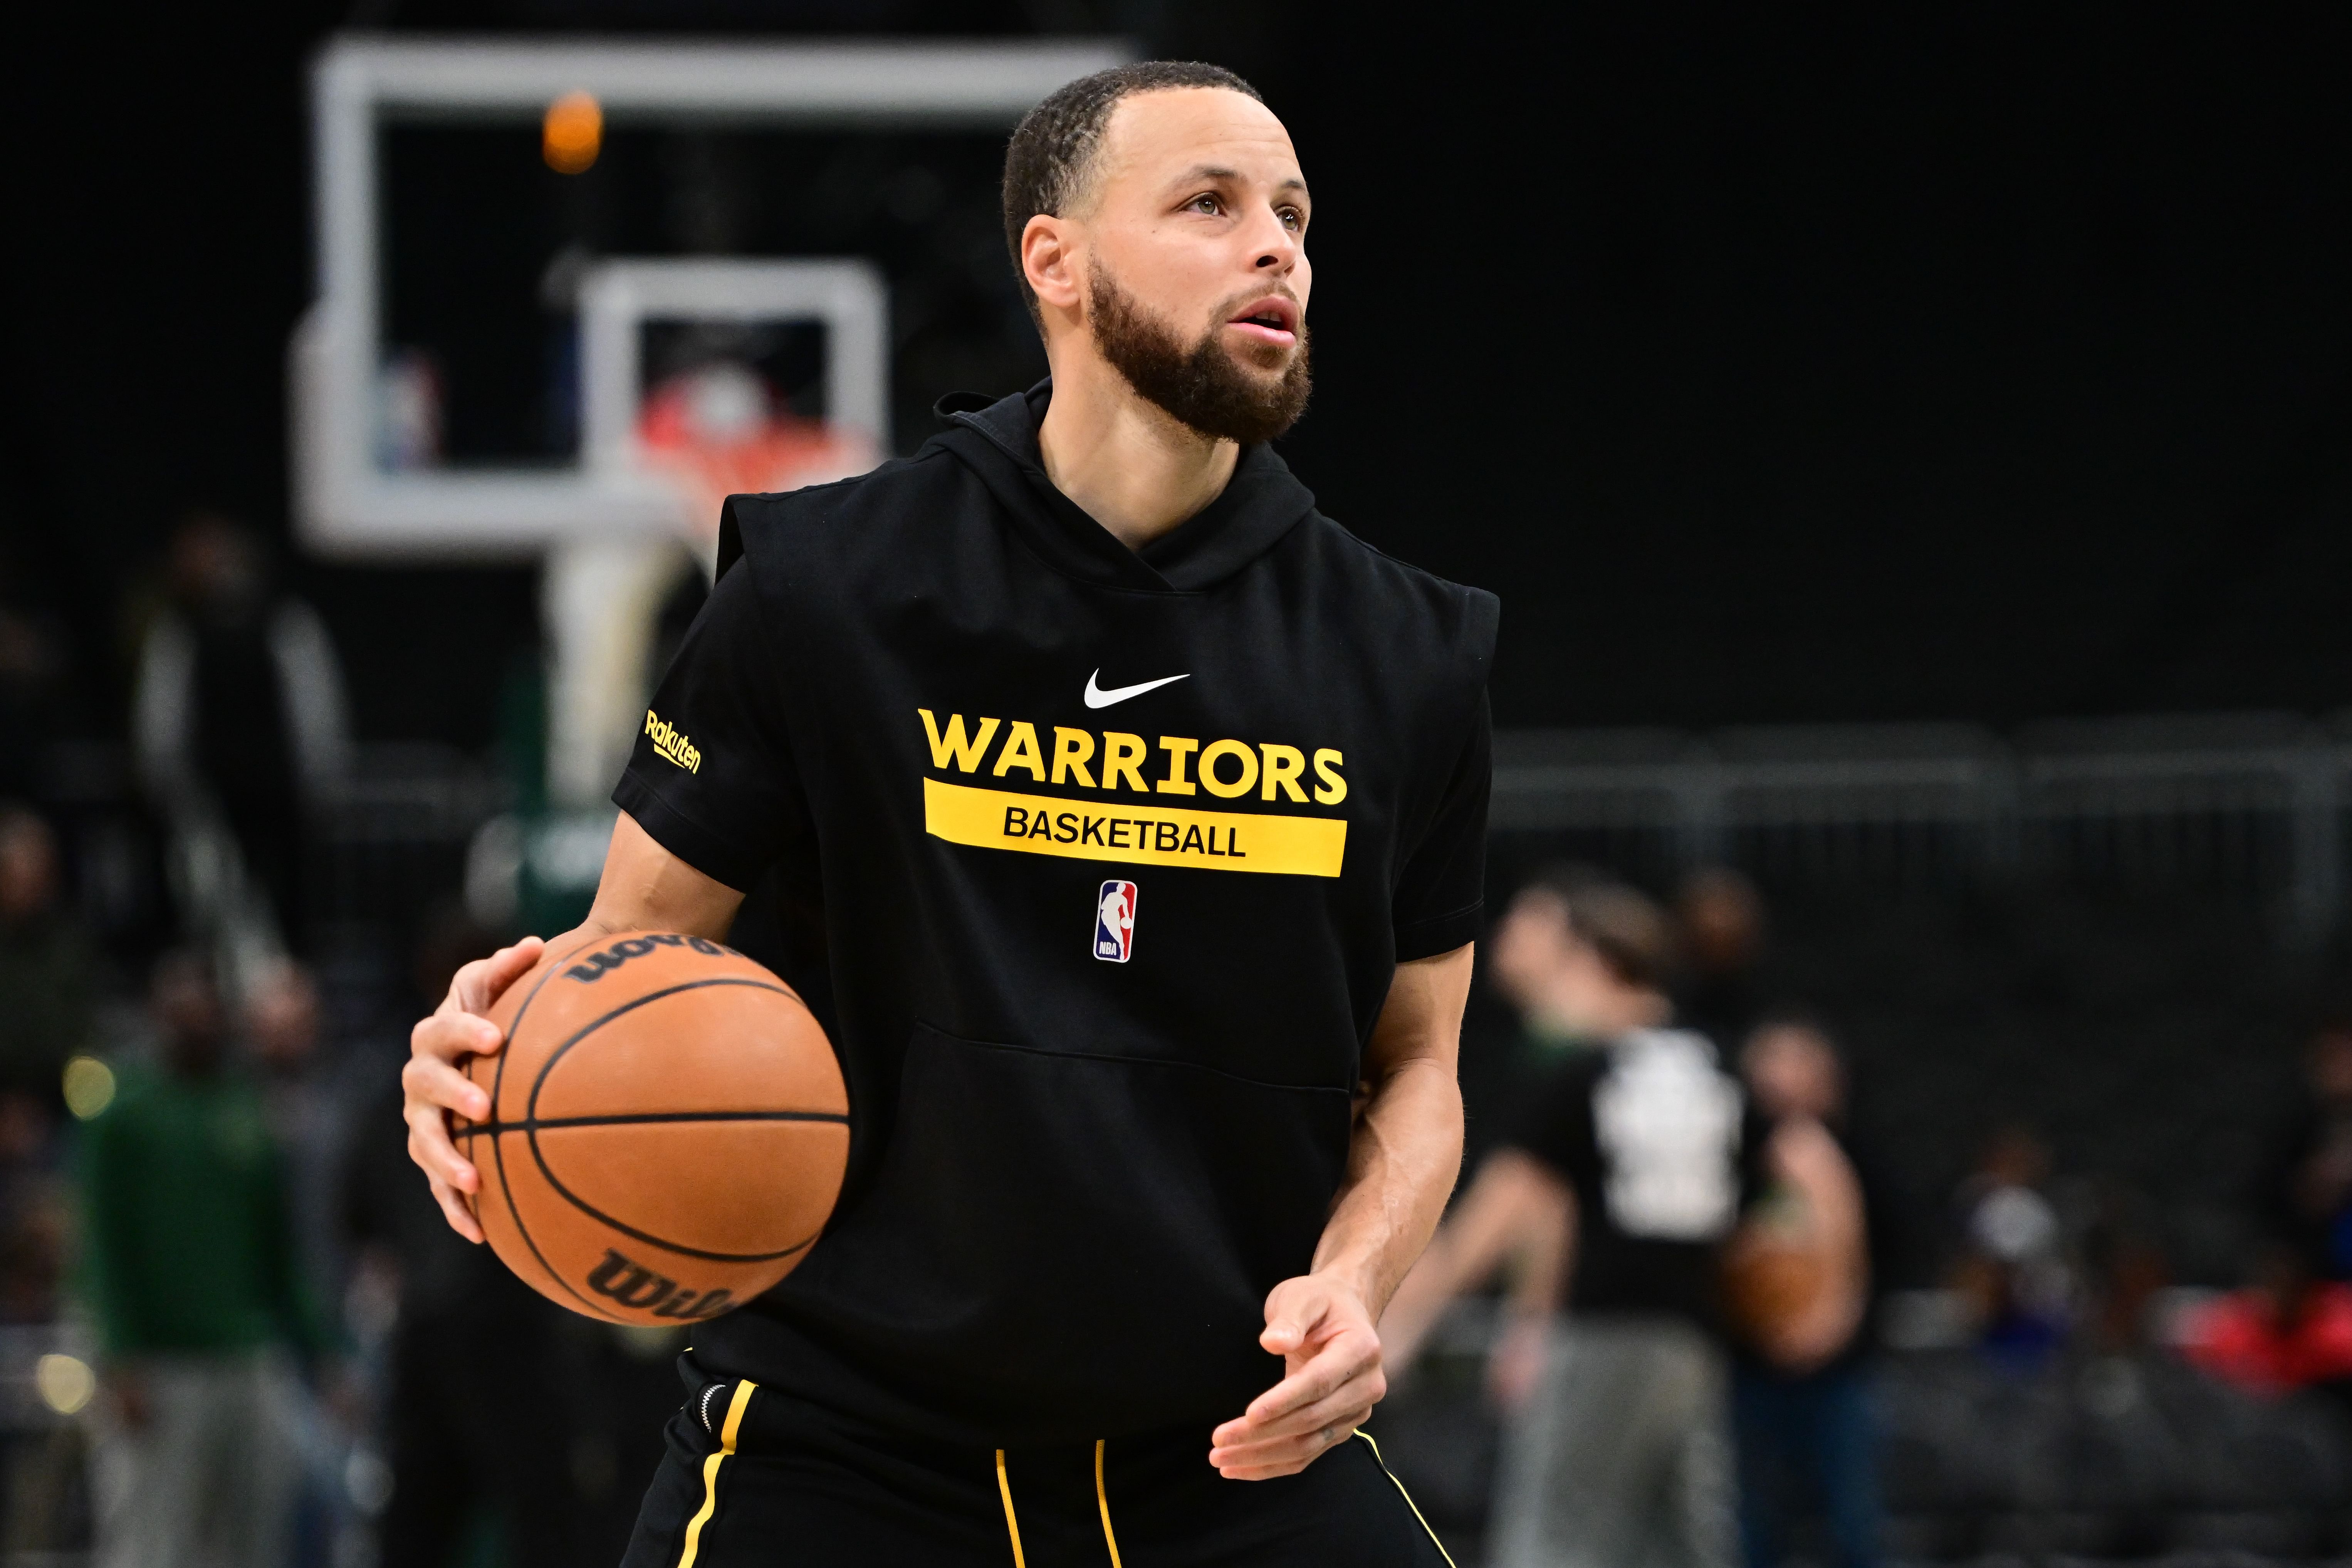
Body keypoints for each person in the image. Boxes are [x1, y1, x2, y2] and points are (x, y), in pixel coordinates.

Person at [403, 60, 1494, 1568]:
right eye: (1209, 202)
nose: (1276, 249)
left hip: (1229, 1445)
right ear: (1053, 259)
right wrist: (487, 1068)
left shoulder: (1409, 651)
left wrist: (1357, 1284)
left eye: (1294, 216)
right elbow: (627, 972)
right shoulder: (817, 588)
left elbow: (1417, 1067)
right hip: (844, 1443)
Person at [1383, 871, 1757, 1568]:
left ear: (1588, 955)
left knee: (1553, 1545)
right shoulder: (1712, 1057)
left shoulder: (1583, 1068)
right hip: (1693, 1338)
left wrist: (1396, 1331)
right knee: (1680, 1547)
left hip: (1604, 1334)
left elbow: (1501, 1213)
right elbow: (1796, 1165)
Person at [79, 952, 326, 1568]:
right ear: (157, 1015)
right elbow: (101, 1243)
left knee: (256, 1537)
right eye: (180, 1007)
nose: (196, 1020)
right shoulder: (122, 1113)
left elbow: (277, 1248)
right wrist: (119, 1353)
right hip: (161, 1363)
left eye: (206, 1007)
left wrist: (323, 1346)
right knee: (157, 1542)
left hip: (248, 1356)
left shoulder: (247, 1107)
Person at [1721, 1016, 1879, 1568]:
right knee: (1751, 1527)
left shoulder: (1855, 1156)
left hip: (1835, 1372)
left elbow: (1864, 1259)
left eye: (1795, 1062)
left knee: (1853, 1524)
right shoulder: (1731, 1160)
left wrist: (1830, 1325)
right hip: (1751, 1369)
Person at [0, 805, 94, 1104]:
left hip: (64, 1096)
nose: (37, 882)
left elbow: (84, 1030)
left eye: (45, 868)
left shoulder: (71, 941)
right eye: (24, 868)